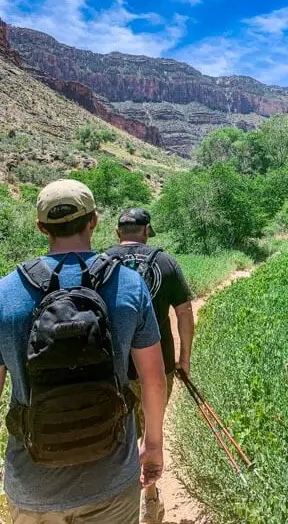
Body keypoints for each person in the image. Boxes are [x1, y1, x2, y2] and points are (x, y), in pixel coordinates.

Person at [0, 180, 167, 524]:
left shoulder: (4, 293)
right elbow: (153, 380)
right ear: (94, 220)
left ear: (41, 227)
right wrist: (152, 447)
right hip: (110, 479)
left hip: (32, 484)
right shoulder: (128, 285)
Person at [106, 208, 194, 524]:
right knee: (151, 429)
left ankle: (121, 497)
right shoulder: (165, 262)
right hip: (159, 365)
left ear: (118, 233)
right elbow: (184, 312)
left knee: (122, 431)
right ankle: (150, 496)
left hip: (114, 368)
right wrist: (183, 359)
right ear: (146, 231)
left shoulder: (100, 264)